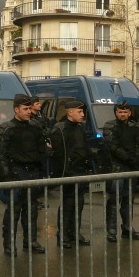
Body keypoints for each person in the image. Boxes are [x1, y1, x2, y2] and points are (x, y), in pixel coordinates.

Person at [0, 94, 47, 256]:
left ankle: (30, 241)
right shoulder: (6, 129)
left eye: (30, 109)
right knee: (14, 210)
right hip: (17, 173)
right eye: (25, 109)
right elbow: (2, 156)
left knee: (31, 209)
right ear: (16, 109)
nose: (29, 112)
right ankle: (9, 244)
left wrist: (42, 173)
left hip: (33, 172)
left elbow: (41, 152)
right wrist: (7, 177)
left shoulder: (35, 127)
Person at [49, 100, 91, 249]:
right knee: (68, 203)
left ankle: (74, 232)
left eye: (82, 112)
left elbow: (85, 148)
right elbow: (59, 155)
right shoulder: (60, 129)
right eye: (79, 112)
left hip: (80, 171)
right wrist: (64, 172)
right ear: (70, 112)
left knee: (79, 203)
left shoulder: (80, 128)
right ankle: (63, 234)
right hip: (68, 172)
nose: (83, 114)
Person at [102, 101, 139, 241]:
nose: (123, 114)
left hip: (131, 167)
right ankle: (112, 230)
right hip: (116, 167)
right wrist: (128, 157)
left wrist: (136, 158)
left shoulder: (134, 127)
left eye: (125, 112)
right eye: (120, 112)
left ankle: (127, 227)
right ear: (116, 113)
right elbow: (112, 145)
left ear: (129, 113)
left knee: (129, 199)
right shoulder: (109, 126)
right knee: (114, 199)